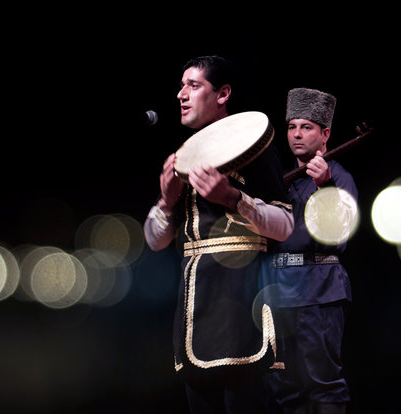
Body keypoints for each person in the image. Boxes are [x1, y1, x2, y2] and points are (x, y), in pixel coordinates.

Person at [143, 55, 294, 413]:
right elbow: (155, 240)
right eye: (181, 86)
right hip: (195, 306)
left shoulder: (254, 147)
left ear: (223, 93)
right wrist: (166, 202)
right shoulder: (182, 158)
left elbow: (285, 226)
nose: (182, 94)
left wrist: (232, 198)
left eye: (194, 86)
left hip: (242, 300)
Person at [261, 88, 358, 414]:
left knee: (323, 384)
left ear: (325, 134)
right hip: (277, 292)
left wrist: (325, 188)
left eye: (307, 127)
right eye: (292, 127)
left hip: (318, 290)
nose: (297, 134)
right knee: (284, 388)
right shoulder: (279, 181)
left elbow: (339, 237)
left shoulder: (338, 177)